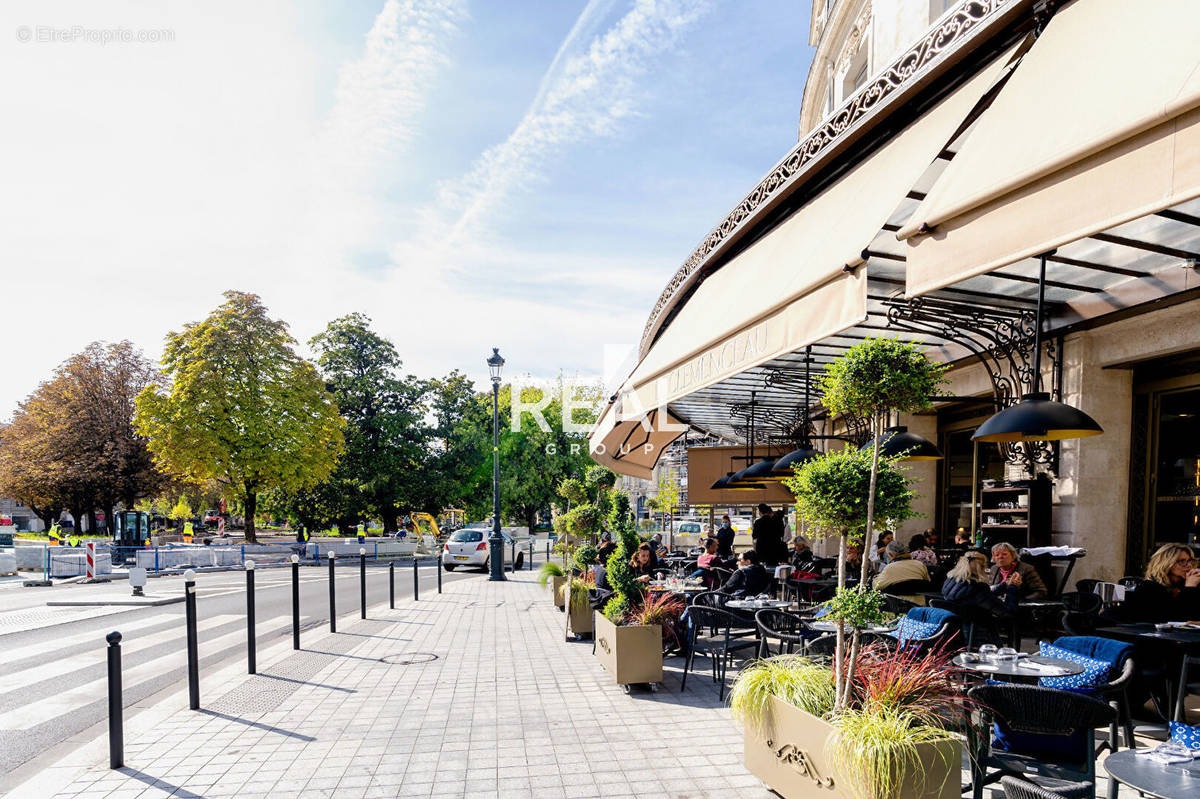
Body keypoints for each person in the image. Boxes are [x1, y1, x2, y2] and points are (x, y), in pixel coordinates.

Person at [1108, 543, 1200, 623]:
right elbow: (1176, 619)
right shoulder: (1150, 588)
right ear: (1166, 564)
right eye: (1182, 561)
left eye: (1189, 561)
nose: (1189, 565)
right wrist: (1190, 588)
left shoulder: (1185, 586)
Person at [941, 551, 1018, 616]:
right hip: (978, 630)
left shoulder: (950, 581)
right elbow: (1007, 611)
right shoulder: (978, 587)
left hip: (954, 628)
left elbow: (980, 597)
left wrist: (1005, 585)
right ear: (981, 568)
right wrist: (1012, 587)